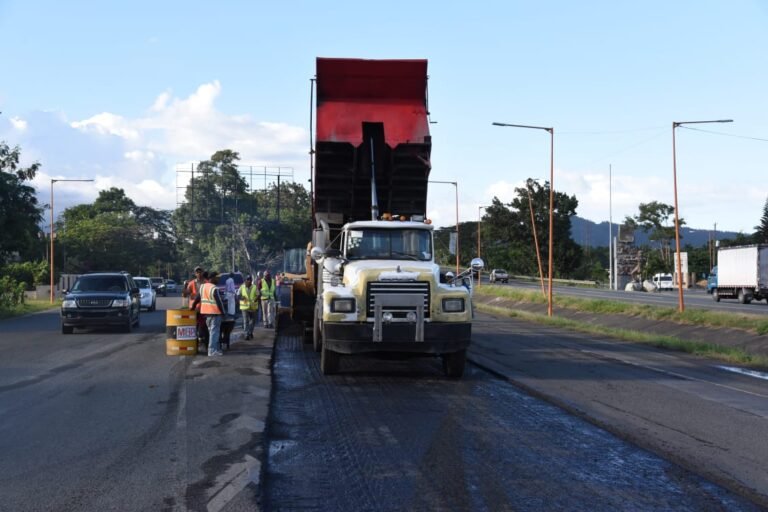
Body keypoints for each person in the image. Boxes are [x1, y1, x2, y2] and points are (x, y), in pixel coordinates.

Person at [192, 271, 225, 356]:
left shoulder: (203, 287)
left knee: (212, 332)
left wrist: (193, 306)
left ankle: (214, 349)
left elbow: (197, 298)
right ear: (212, 278)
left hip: (206, 314)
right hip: (215, 313)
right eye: (217, 278)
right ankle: (212, 351)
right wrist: (223, 312)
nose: (218, 280)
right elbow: (219, 302)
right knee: (214, 333)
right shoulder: (214, 288)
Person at [239, 275, 259, 339]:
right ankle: (246, 334)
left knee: (252, 321)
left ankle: (250, 332)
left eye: (250, 280)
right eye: (248, 280)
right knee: (246, 321)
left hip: (253, 307)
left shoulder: (254, 287)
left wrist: (255, 299)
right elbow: (238, 295)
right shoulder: (242, 287)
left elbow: (258, 295)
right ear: (245, 280)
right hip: (244, 307)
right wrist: (241, 297)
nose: (249, 281)